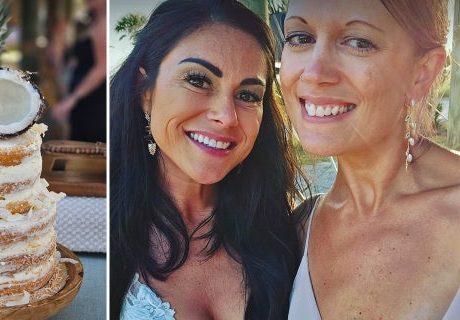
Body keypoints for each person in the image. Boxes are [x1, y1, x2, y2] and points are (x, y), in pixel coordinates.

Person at [109, 0, 307, 318]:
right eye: (199, 80)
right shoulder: (104, 223)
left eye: (247, 95)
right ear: (145, 91)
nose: (226, 116)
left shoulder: (282, 231)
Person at [280, 0, 460, 318]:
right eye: (300, 37)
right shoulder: (297, 230)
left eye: (359, 42)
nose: (314, 73)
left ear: (422, 73)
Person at [51, 0, 106, 143]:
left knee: (89, 152)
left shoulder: (104, 25)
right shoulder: (92, 23)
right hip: (84, 102)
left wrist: (72, 99)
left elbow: (102, 68)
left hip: (93, 103)